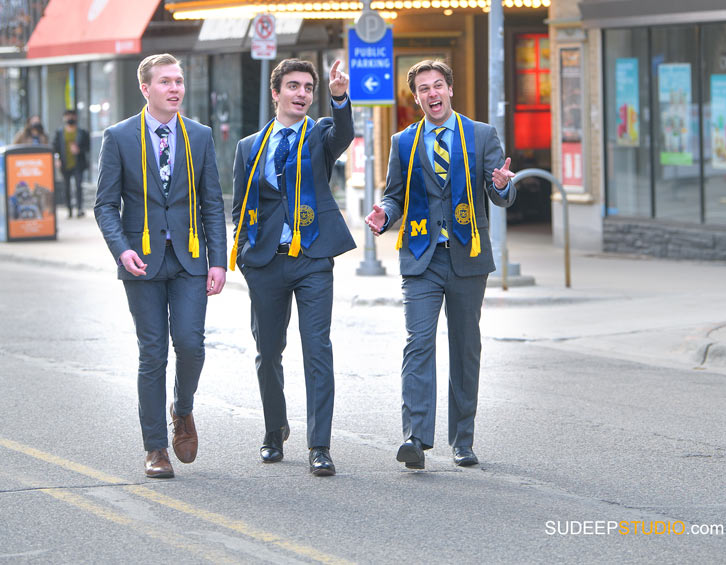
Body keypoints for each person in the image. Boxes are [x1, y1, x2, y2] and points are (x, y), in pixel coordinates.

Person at [366, 59, 516, 471]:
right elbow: (394, 194)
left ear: (450, 89)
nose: (432, 94)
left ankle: (462, 440)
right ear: (416, 98)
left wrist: (503, 186)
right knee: (418, 342)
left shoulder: (481, 135)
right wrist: (384, 213)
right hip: (421, 256)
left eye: (438, 86)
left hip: (468, 257)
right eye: (423, 89)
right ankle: (415, 437)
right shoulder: (403, 141)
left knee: (465, 348)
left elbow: (498, 190)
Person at [94, 54, 227, 480]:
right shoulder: (119, 137)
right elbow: (104, 205)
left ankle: (182, 410)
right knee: (153, 353)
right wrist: (121, 249)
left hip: (189, 257)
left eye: (179, 81)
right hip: (142, 260)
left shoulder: (200, 136)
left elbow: (212, 202)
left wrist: (219, 261)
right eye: (166, 82)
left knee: (190, 344)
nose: (175, 89)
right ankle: (155, 448)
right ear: (145, 88)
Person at [231, 58, 355, 477]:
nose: (301, 93)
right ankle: (273, 430)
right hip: (265, 262)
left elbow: (344, 135)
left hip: (313, 259)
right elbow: (239, 207)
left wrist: (339, 98)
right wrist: (246, 254)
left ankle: (319, 445)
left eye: (308, 87)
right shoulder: (250, 146)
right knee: (268, 352)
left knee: (317, 350)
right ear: (276, 92)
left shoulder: (319, 134)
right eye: (293, 86)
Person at [53, 108, 90, 217]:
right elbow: (55, 147)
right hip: (65, 164)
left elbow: (87, 147)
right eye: (68, 116)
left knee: (78, 186)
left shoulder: (82, 132)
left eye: (72, 116)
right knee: (66, 187)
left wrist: (79, 150)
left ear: (76, 117)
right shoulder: (59, 132)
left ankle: (79, 209)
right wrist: (57, 159)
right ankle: (69, 210)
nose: (70, 118)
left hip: (79, 164)